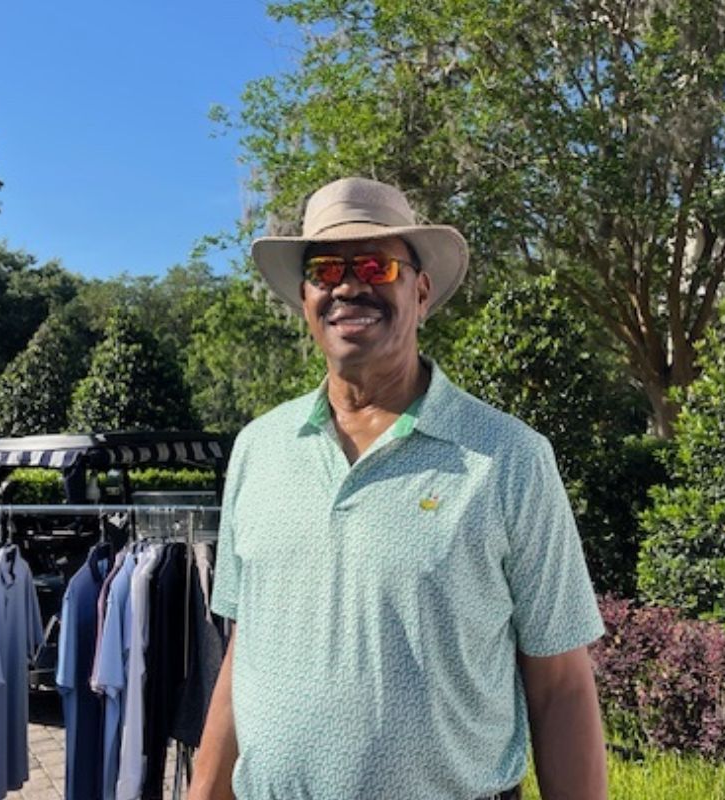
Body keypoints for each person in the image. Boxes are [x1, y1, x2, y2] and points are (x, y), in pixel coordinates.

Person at [190, 177, 608, 800]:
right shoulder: (259, 449)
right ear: (304, 298)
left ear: (420, 289)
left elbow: (562, 685)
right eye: (326, 269)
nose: (348, 285)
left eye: (374, 264)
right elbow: (245, 652)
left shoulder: (508, 458)